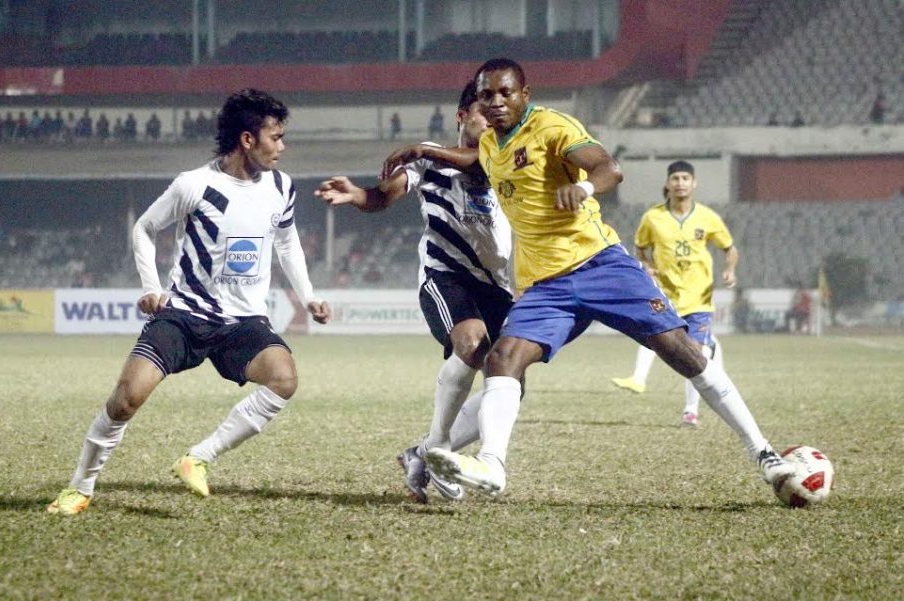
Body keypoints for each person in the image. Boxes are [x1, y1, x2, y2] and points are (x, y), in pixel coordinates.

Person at [382, 57, 793, 498]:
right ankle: (492, 466)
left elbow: (608, 167)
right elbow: (475, 160)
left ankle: (764, 455)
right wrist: (425, 150)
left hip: (600, 266)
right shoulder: (491, 146)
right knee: (503, 359)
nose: (497, 102)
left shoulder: (553, 127)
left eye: (506, 93)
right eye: (488, 96)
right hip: (545, 287)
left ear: (526, 94)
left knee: (684, 354)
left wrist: (584, 187)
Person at [46, 88, 331, 515]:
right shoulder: (195, 185)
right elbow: (144, 228)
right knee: (126, 397)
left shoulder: (281, 187)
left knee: (284, 378)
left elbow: (287, 243)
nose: (283, 147)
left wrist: (308, 297)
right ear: (247, 140)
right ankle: (80, 488)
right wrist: (151, 286)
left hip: (243, 322)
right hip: (184, 314)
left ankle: (198, 457)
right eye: (276, 137)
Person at [315, 80, 513, 504]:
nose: (494, 119)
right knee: (472, 343)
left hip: (499, 285)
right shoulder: (429, 160)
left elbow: (482, 167)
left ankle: (421, 455)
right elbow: (387, 194)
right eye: (484, 112)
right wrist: (361, 196)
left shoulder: (500, 162)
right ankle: (440, 446)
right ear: (462, 117)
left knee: (507, 379)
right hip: (447, 275)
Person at [611, 161, 738, 428]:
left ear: (694, 183)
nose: (680, 183)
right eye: (676, 178)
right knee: (656, 338)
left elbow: (730, 248)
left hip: (699, 298)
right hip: (665, 294)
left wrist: (729, 269)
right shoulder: (652, 218)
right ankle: (639, 379)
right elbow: (641, 250)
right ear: (668, 183)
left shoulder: (708, 217)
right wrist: (646, 265)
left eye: (685, 178)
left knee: (695, 352)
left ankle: (690, 411)